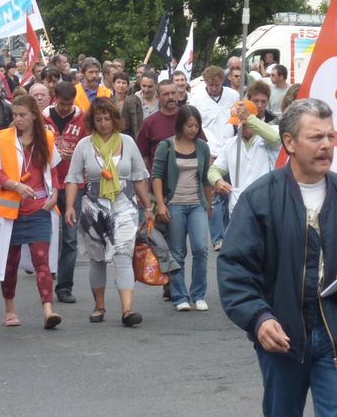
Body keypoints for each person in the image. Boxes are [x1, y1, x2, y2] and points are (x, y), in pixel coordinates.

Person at [218, 98, 337, 417]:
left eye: (331, 137)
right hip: (282, 341)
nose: (326, 145)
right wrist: (259, 319)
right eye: (316, 137)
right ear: (288, 142)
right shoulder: (260, 199)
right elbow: (235, 271)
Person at [65, 97, 153, 326]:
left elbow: (139, 176)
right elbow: (73, 179)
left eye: (107, 118)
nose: (104, 123)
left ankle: (127, 310)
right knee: (97, 259)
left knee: (123, 254)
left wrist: (149, 206)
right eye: (98, 119)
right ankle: (99, 306)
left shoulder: (127, 142)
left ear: (115, 119)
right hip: (94, 207)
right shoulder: (84, 145)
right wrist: (68, 207)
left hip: (124, 204)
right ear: (92, 121)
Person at [0, 95, 63, 329]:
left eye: (22, 115)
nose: (17, 120)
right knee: (10, 263)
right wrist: (15, 185)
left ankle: (48, 310)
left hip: (39, 209)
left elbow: (54, 172)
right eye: (15, 115)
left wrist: (55, 193)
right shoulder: (3, 138)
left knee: (42, 260)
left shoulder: (47, 139)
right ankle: (10, 310)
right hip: (11, 211)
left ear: (33, 116)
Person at [152, 105, 213, 311]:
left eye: (197, 125)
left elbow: (206, 179)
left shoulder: (203, 147)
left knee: (200, 248)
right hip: (174, 204)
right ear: (180, 125)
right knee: (177, 252)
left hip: (197, 205)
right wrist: (161, 204)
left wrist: (209, 204)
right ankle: (180, 296)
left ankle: (198, 294)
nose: (193, 129)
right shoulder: (166, 146)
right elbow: (157, 176)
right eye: (189, 125)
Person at [44, 80, 86, 304]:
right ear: (54, 98)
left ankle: (64, 286)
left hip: (73, 184)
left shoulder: (83, 119)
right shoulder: (42, 118)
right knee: (46, 236)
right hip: (47, 183)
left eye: (69, 105)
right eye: (61, 104)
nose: (65, 108)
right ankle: (45, 281)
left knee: (70, 238)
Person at [189, 65, 239, 251]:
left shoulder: (233, 96)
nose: (214, 88)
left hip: (230, 148)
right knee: (215, 195)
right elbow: (194, 127)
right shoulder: (197, 99)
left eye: (217, 85)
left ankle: (227, 232)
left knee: (228, 193)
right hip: (209, 150)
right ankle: (218, 238)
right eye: (210, 85)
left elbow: (238, 123)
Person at [209, 99, 280, 215]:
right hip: (238, 206)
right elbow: (214, 170)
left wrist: (249, 118)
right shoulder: (230, 144)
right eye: (236, 125)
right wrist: (218, 181)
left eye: (243, 124)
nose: (239, 127)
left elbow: (276, 139)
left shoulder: (267, 135)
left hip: (266, 206)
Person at [137, 79, 200, 172]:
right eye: (166, 94)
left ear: (178, 94)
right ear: (157, 97)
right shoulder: (149, 123)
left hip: (189, 177)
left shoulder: (189, 117)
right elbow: (143, 155)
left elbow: (203, 149)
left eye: (173, 93)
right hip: (160, 180)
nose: (170, 97)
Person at [121, 68, 159, 141]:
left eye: (150, 86)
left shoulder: (162, 100)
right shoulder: (130, 101)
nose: (146, 89)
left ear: (156, 86)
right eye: (143, 86)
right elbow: (124, 129)